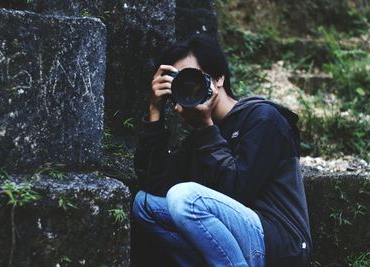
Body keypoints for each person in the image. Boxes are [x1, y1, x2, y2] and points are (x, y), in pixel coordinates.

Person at [132, 34, 312, 267]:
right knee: (144, 204)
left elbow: (236, 190)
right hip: (236, 238)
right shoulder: (202, 133)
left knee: (185, 198)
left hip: (281, 244)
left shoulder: (263, 119)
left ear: (218, 78)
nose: (187, 86)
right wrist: (155, 112)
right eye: (178, 81)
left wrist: (205, 127)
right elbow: (156, 185)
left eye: (192, 77)